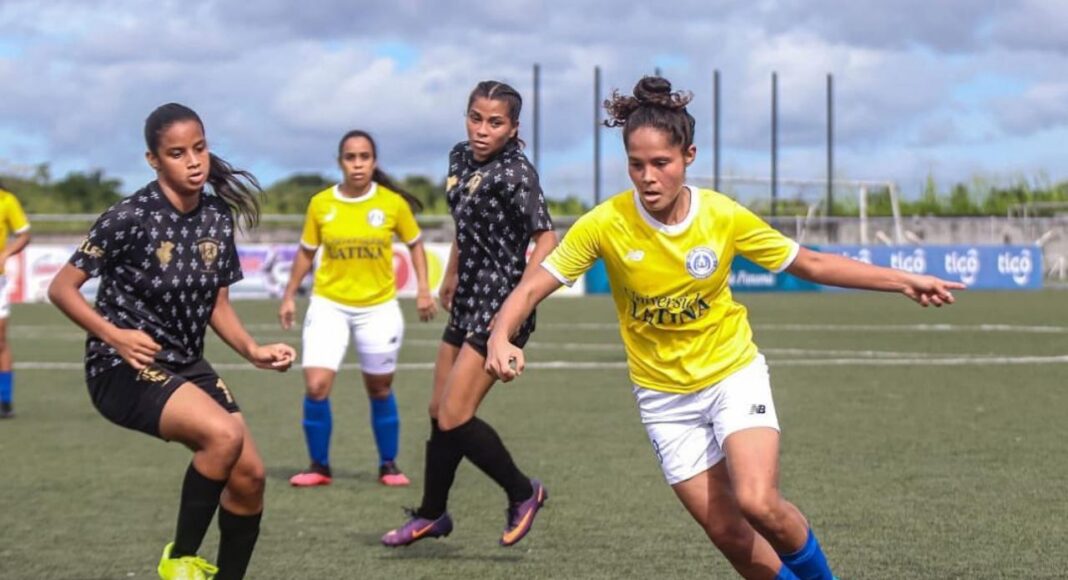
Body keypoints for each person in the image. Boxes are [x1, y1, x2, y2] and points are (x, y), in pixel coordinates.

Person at [485, 77, 966, 580]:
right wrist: (500, 336)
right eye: (636, 164)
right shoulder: (605, 224)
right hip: (663, 399)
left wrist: (902, 280)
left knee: (758, 502)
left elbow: (812, 263)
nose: (648, 177)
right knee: (731, 536)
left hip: (731, 375)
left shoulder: (722, 215)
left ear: (688, 156)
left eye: (661, 163)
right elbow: (531, 288)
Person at [48, 103, 296, 580]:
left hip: (185, 363)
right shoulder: (129, 217)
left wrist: (253, 350)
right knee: (223, 437)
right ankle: (178, 559)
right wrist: (115, 336)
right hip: (121, 366)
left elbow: (217, 305)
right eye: (178, 153)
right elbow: (61, 288)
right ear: (153, 160)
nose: (194, 161)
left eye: (199, 148)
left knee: (249, 478)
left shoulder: (216, 216)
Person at [381, 80, 557, 548]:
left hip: (500, 305)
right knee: (438, 411)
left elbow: (546, 239)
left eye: (495, 122)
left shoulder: (517, 173)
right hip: (467, 298)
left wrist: (522, 300)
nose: (482, 129)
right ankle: (432, 515)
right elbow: (465, 224)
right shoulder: (460, 157)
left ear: (513, 128)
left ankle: (523, 492)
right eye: (476, 118)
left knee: (456, 415)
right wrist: (451, 272)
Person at [279, 130, 437, 488]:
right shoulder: (321, 203)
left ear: (374, 162)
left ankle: (388, 465)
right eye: (350, 157)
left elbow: (415, 244)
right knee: (316, 386)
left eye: (364, 157)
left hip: (379, 308)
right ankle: (319, 466)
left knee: (379, 388)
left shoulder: (392, 204)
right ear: (340, 162)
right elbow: (306, 251)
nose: (357, 164)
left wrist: (424, 289)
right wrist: (289, 295)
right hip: (328, 304)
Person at [0, 180, 30, 418]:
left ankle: (4, 400)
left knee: (0, 341)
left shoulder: (6, 200)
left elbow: (23, 235)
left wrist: (6, 253)